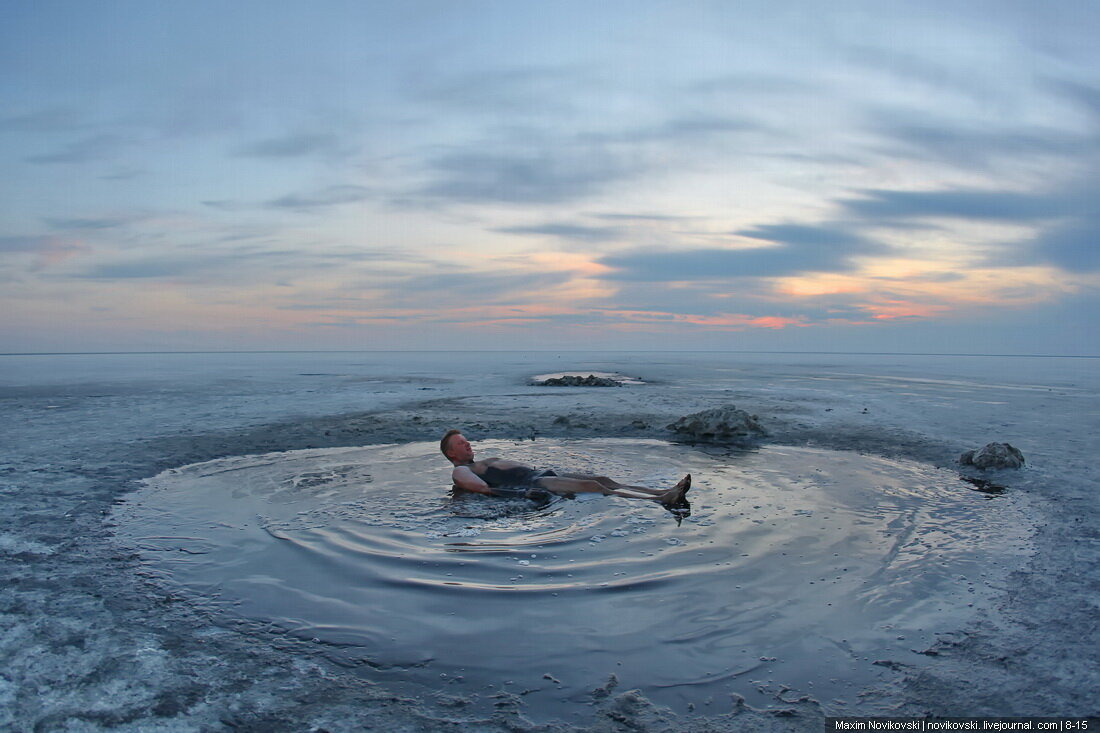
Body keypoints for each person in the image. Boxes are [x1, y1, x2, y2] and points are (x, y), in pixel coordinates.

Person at [440, 429, 691, 506]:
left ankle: (661, 492)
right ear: (451, 453)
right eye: (461, 443)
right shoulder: (461, 471)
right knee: (594, 486)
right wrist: (522, 494)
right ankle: (664, 500)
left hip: (543, 474)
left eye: (467, 440)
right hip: (535, 482)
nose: (468, 444)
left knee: (603, 478)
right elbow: (482, 489)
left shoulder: (478, 463)